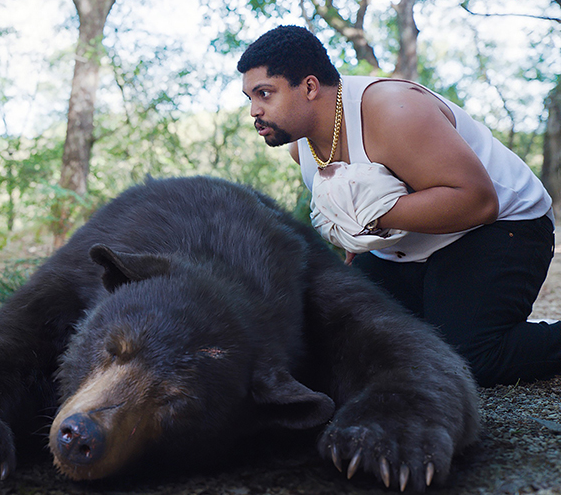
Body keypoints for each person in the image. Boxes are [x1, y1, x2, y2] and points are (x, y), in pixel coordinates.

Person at [237, 24, 560, 387]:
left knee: (470, 357)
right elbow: (348, 217)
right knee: (333, 338)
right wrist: (351, 242)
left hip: (500, 227)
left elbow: (478, 201)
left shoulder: (394, 110)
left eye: (264, 94)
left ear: (310, 87)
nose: (254, 110)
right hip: (404, 252)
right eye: (250, 98)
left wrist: (370, 215)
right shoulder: (302, 147)